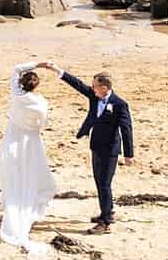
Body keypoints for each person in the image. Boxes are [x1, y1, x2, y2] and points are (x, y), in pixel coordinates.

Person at [45, 61, 136, 233]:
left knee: (104, 184)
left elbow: (126, 130)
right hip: (96, 146)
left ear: (104, 87)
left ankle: (106, 222)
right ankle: (106, 211)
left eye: (95, 86)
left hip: (110, 150)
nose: (92, 88)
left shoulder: (119, 105)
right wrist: (58, 71)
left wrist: (128, 155)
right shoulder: (95, 97)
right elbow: (77, 84)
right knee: (99, 181)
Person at [0, 63, 57, 253]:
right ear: (36, 86)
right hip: (30, 142)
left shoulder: (16, 95)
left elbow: (15, 69)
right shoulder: (40, 103)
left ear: (21, 84)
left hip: (12, 139)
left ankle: (13, 209)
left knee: (14, 177)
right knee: (32, 176)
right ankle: (27, 210)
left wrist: (38, 64)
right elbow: (42, 123)